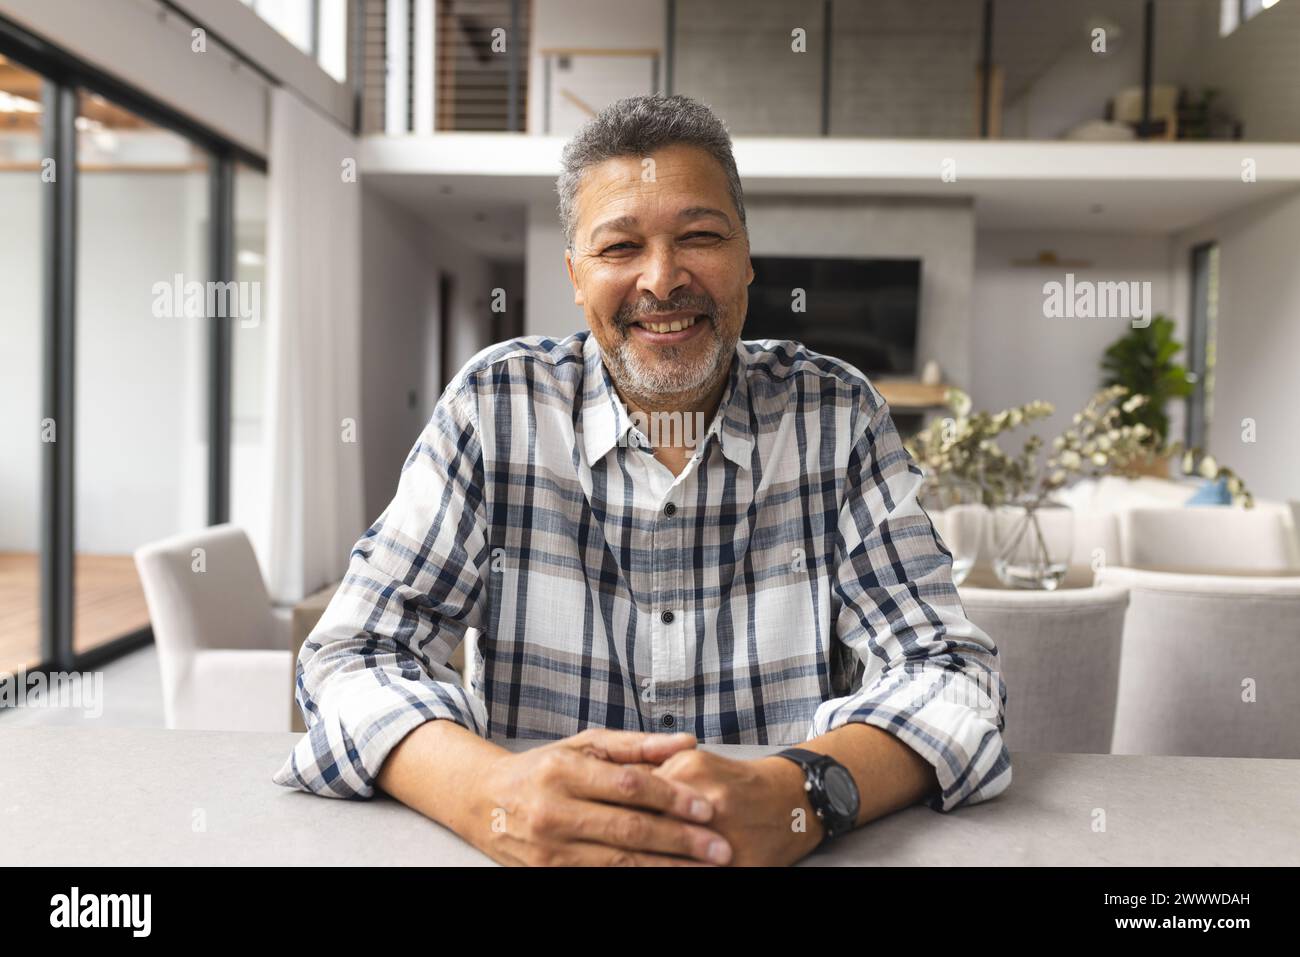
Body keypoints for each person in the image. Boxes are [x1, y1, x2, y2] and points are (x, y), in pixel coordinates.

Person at [274, 93, 1011, 866]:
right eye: (620, 247)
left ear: (747, 257)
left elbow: (950, 671)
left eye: (699, 236)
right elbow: (353, 653)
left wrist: (801, 793)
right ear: (574, 274)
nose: (662, 280)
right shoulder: (496, 407)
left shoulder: (837, 416)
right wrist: (488, 794)